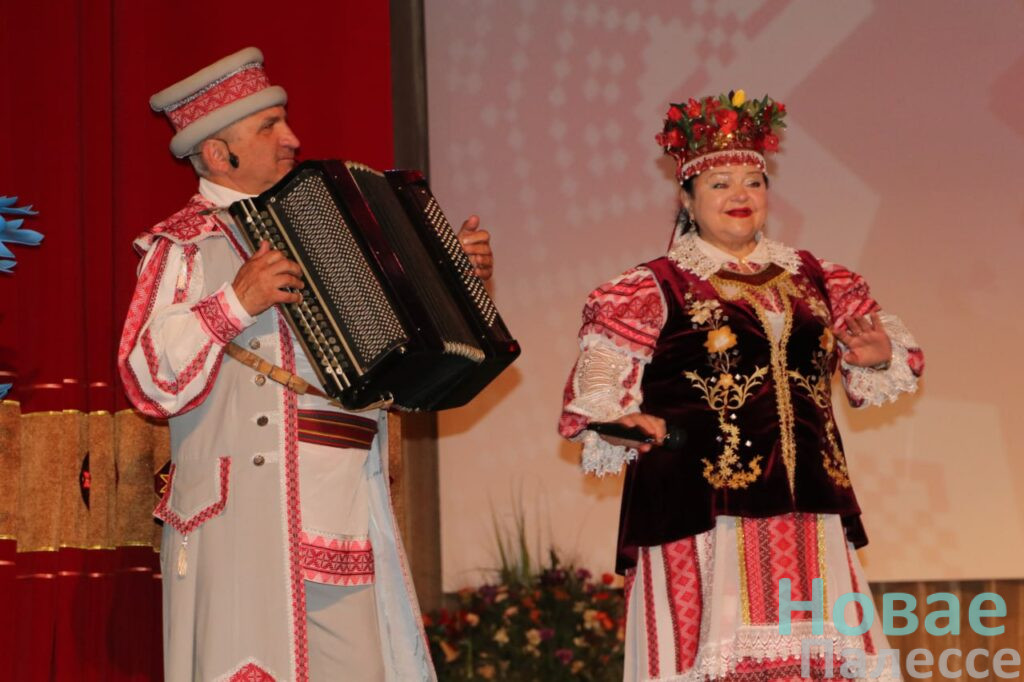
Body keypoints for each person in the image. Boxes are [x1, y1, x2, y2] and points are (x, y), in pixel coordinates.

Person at [118, 47, 492, 682]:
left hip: (344, 514)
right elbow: (146, 378)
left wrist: (453, 280)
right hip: (243, 521)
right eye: (269, 127)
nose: (292, 138)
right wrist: (236, 301)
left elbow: (401, 370)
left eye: (285, 121)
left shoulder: (327, 230)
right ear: (219, 153)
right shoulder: (183, 245)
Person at [559, 90, 923, 682]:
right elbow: (600, 386)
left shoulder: (817, 278)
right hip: (701, 512)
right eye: (720, 183)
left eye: (753, 182)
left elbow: (878, 358)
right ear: (686, 198)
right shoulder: (653, 287)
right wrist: (619, 419)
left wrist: (878, 360)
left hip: (808, 510)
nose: (740, 195)